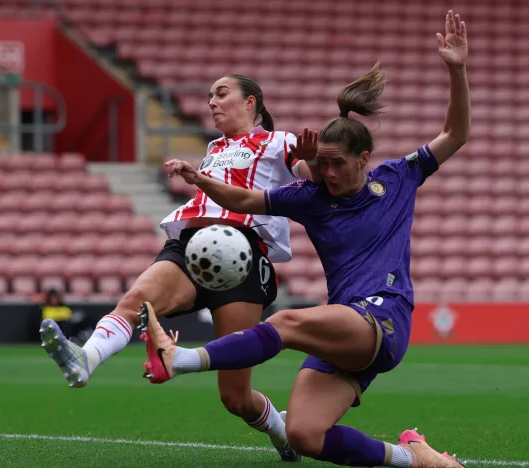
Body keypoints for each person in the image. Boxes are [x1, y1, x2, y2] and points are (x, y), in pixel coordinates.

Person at [151, 10, 470, 468]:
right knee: (304, 434)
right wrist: (199, 178)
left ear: (364, 159)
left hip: (384, 315)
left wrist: (456, 70)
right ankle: (415, 458)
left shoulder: (399, 178)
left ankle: (180, 359)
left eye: (339, 163)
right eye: (323, 163)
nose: (330, 173)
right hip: (345, 329)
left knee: (285, 324)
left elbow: (456, 133)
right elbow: (242, 199)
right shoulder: (311, 197)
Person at [39, 73, 318, 461]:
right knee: (136, 299)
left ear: (251, 102)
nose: (212, 102)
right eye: (208, 96)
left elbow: (315, 182)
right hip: (192, 244)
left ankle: (279, 429)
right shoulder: (214, 147)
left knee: (235, 397)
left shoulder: (280, 141)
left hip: (244, 254)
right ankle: (85, 358)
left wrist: (315, 162)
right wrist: (196, 173)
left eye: (222, 94)